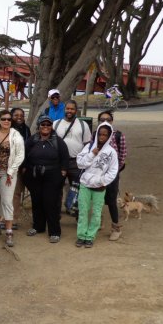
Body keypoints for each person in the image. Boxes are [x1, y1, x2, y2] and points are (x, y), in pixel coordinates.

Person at [22, 116, 70, 243]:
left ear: (51, 127)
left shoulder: (58, 141)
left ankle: (54, 231)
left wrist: (63, 172)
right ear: (38, 126)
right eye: (43, 125)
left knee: (50, 203)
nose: (45, 127)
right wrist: (25, 170)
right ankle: (38, 226)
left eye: (48, 125)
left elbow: (65, 157)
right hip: (34, 175)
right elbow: (24, 155)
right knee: (36, 201)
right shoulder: (32, 140)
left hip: (52, 176)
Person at [75, 122, 119, 248]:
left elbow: (113, 171)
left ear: (109, 136)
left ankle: (90, 236)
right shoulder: (89, 147)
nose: (102, 137)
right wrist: (92, 154)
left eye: (105, 135)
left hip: (100, 187)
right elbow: (80, 163)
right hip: (85, 184)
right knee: (83, 211)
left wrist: (102, 181)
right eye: (100, 134)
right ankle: (81, 235)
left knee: (96, 213)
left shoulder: (111, 152)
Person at [0, 109, 25, 247]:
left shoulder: (16, 135)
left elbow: (20, 155)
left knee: (6, 201)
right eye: (4, 119)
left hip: (8, 173)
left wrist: (11, 171)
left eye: (9, 119)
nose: (6, 121)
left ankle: (9, 231)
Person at [52, 99, 92, 214]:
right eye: (67, 108)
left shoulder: (83, 125)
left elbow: (87, 145)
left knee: (77, 188)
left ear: (76, 111)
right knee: (57, 188)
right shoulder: (56, 124)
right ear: (64, 109)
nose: (69, 111)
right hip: (59, 162)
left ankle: (76, 213)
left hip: (76, 162)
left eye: (72, 109)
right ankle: (56, 213)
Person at [96, 110, 127, 241]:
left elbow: (122, 156)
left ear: (112, 121)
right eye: (102, 119)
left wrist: (113, 172)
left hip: (113, 175)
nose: (105, 122)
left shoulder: (119, 136)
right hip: (97, 174)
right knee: (97, 199)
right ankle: (98, 221)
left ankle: (116, 228)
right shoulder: (95, 135)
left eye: (108, 119)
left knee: (112, 200)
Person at [10, 107, 30, 229]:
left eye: (21, 115)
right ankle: (3, 217)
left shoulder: (26, 130)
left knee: (16, 193)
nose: (19, 117)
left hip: (20, 167)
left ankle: (14, 219)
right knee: (4, 193)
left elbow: (27, 149)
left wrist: (25, 165)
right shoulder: (7, 128)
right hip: (7, 166)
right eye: (16, 115)